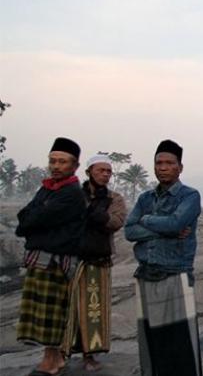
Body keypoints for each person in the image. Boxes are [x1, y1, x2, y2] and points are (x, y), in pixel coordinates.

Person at [124, 140, 202, 376]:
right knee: (151, 342)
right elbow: (129, 230)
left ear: (180, 167)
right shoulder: (145, 198)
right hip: (146, 274)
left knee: (180, 344)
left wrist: (145, 221)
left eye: (170, 163)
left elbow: (177, 223)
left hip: (175, 274)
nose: (163, 167)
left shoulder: (190, 196)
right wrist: (163, 227)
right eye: (159, 163)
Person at [15, 137, 87, 376]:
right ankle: (54, 357)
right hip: (42, 259)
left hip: (56, 262)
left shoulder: (72, 193)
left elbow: (35, 220)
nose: (56, 166)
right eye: (52, 161)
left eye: (62, 162)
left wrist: (34, 223)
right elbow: (25, 217)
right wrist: (34, 221)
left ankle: (51, 360)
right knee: (42, 311)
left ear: (74, 166)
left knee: (52, 312)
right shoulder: (47, 188)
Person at [61, 153, 126, 372]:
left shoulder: (114, 198)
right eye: (101, 170)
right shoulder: (74, 195)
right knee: (68, 309)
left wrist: (91, 214)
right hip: (72, 260)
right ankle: (63, 353)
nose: (105, 174)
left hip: (99, 260)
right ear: (89, 172)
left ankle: (90, 356)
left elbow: (116, 222)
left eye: (108, 171)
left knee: (94, 310)